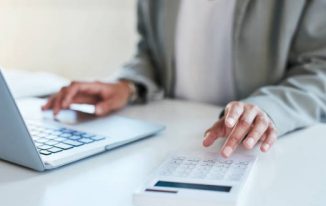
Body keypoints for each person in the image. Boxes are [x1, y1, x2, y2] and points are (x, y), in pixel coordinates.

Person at [43, 0, 326, 158]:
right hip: (169, 143)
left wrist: (268, 109)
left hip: (256, 153)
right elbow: (151, 51)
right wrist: (127, 86)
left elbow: (319, 68)